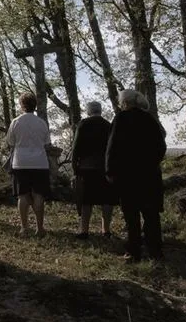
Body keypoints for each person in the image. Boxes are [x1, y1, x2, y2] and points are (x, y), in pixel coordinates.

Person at [105, 89, 167, 262]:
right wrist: (151, 163)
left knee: (131, 216)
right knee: (151, 215)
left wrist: (110, 171)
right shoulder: (150, 119)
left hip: (127, 176)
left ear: (125, 102)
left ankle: (134, 252)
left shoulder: (120, 119)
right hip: (149, 175)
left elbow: (112, 148)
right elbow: (161, 147)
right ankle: (156, 252)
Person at [5, 91, 51, 237]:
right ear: (35, 105)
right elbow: (47, 144)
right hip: (40, 163)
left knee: (23, 196)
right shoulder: (41, 123)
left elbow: (10, 143)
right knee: (39, 196)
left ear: (21, 105)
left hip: (21, 162)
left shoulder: (16, 122)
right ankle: (40, 228)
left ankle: (24, 228)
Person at [70, 100, 116, 239]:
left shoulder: (83, 124)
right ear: (100, 111)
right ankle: (106, 230)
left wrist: (74, 166)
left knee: (86, 200)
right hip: (105, 167)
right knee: (107, 200)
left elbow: (76, 147)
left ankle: (84, 231)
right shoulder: (109, 125)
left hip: (87, 167)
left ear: (89, 111)